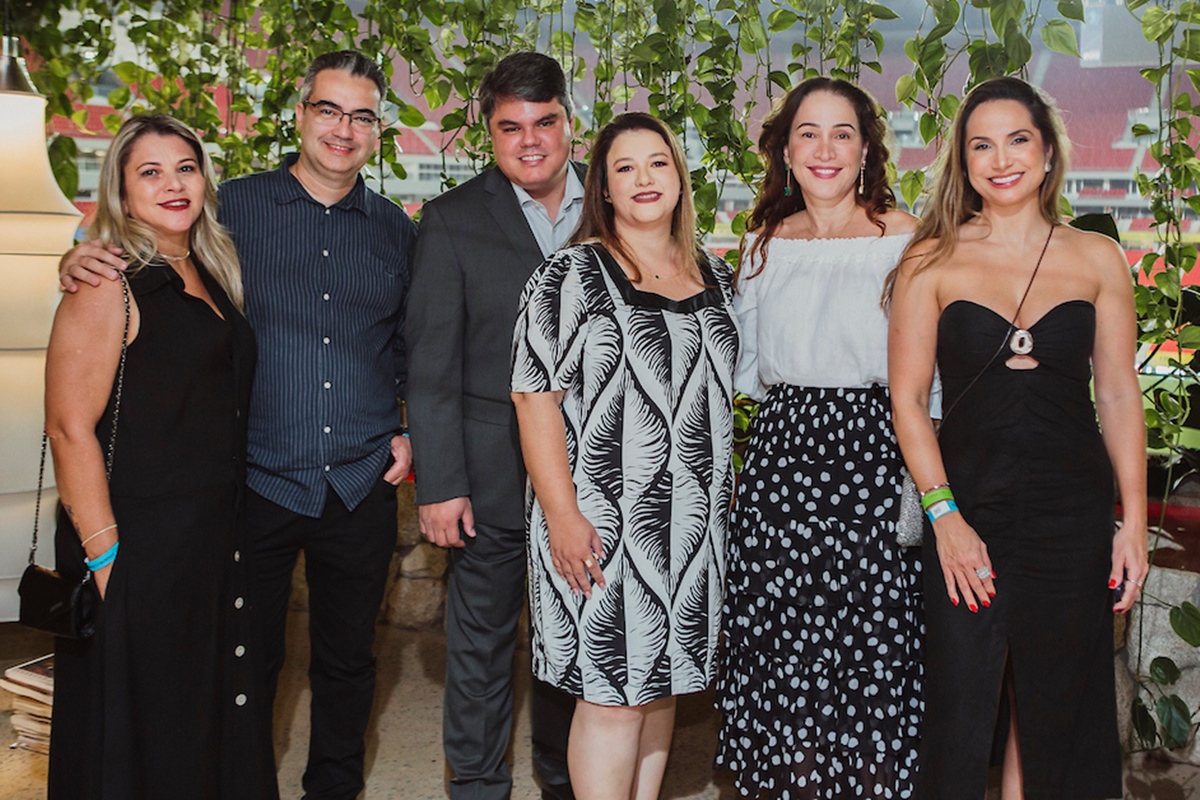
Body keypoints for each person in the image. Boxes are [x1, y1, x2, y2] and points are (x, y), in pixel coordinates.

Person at [58, 51, 416, 800]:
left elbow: (412, 344)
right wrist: (80, 257)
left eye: (361, 115)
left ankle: (334, 789)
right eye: (328, 109)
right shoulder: (232, 211)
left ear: (378, 130)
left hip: (357, 482)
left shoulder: (396, 231)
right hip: (252, 485)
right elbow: (143, 259)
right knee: (238, 665)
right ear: (300, 114)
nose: (342, 129)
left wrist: (410, 429)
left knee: (350, 662)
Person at [887, 76, 1147, 799]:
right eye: (981, 144)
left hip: (1071, 513)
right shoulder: (928, 258)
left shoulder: (1097, 258)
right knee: (965, 701)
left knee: (1061, 704)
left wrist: (1133, 521)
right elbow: (907, 402)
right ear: (962, 161)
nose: (1000, 159)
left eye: (1017, 139)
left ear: (1047, 151)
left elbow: (1119, 393)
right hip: (967, 509)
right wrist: (945, 517)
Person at [511, 111, 740, 800]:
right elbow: (533, 399)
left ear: (679, 177)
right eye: (625, 168)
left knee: (662, 690)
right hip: (598, 527)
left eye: (658, 163)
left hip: (693, 532)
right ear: (603, 189)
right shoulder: (570, 276)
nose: (644, 179)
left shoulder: (722, 279)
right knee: (611, 695)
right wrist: (563, 515)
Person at [45, 114, 272, 799]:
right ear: (120, 187)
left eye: (185, 167)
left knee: (199, 720)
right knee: (144, 730)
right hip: (136, 546)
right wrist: (108, 557)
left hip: (208, 542)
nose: (173, 183)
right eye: (150, 171)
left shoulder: (206, 267)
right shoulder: (106, 279)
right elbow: (66, 428)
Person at [714, 77, 923, 799]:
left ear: (867, 147)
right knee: (784, 652)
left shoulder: (908, 238)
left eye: (842, 133)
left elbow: (929, 378)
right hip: (781, 462)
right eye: (808, 132)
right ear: (785, 149)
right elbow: (744, 371)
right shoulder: (764, 243)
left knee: (871, 653)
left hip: (876, 454)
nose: (825, 148)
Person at [404, 51, 582, 800]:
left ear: (570, 122)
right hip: (488, 482)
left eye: (545, 122)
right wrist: (440, 484)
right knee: (477, 651)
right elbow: (432, 368)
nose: (531, 140)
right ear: (489, 131)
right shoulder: (449, 221)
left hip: (589, 482)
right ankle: (476, 787)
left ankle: (565, 779)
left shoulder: (614, 208)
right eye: (512, 126)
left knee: (574, 649)